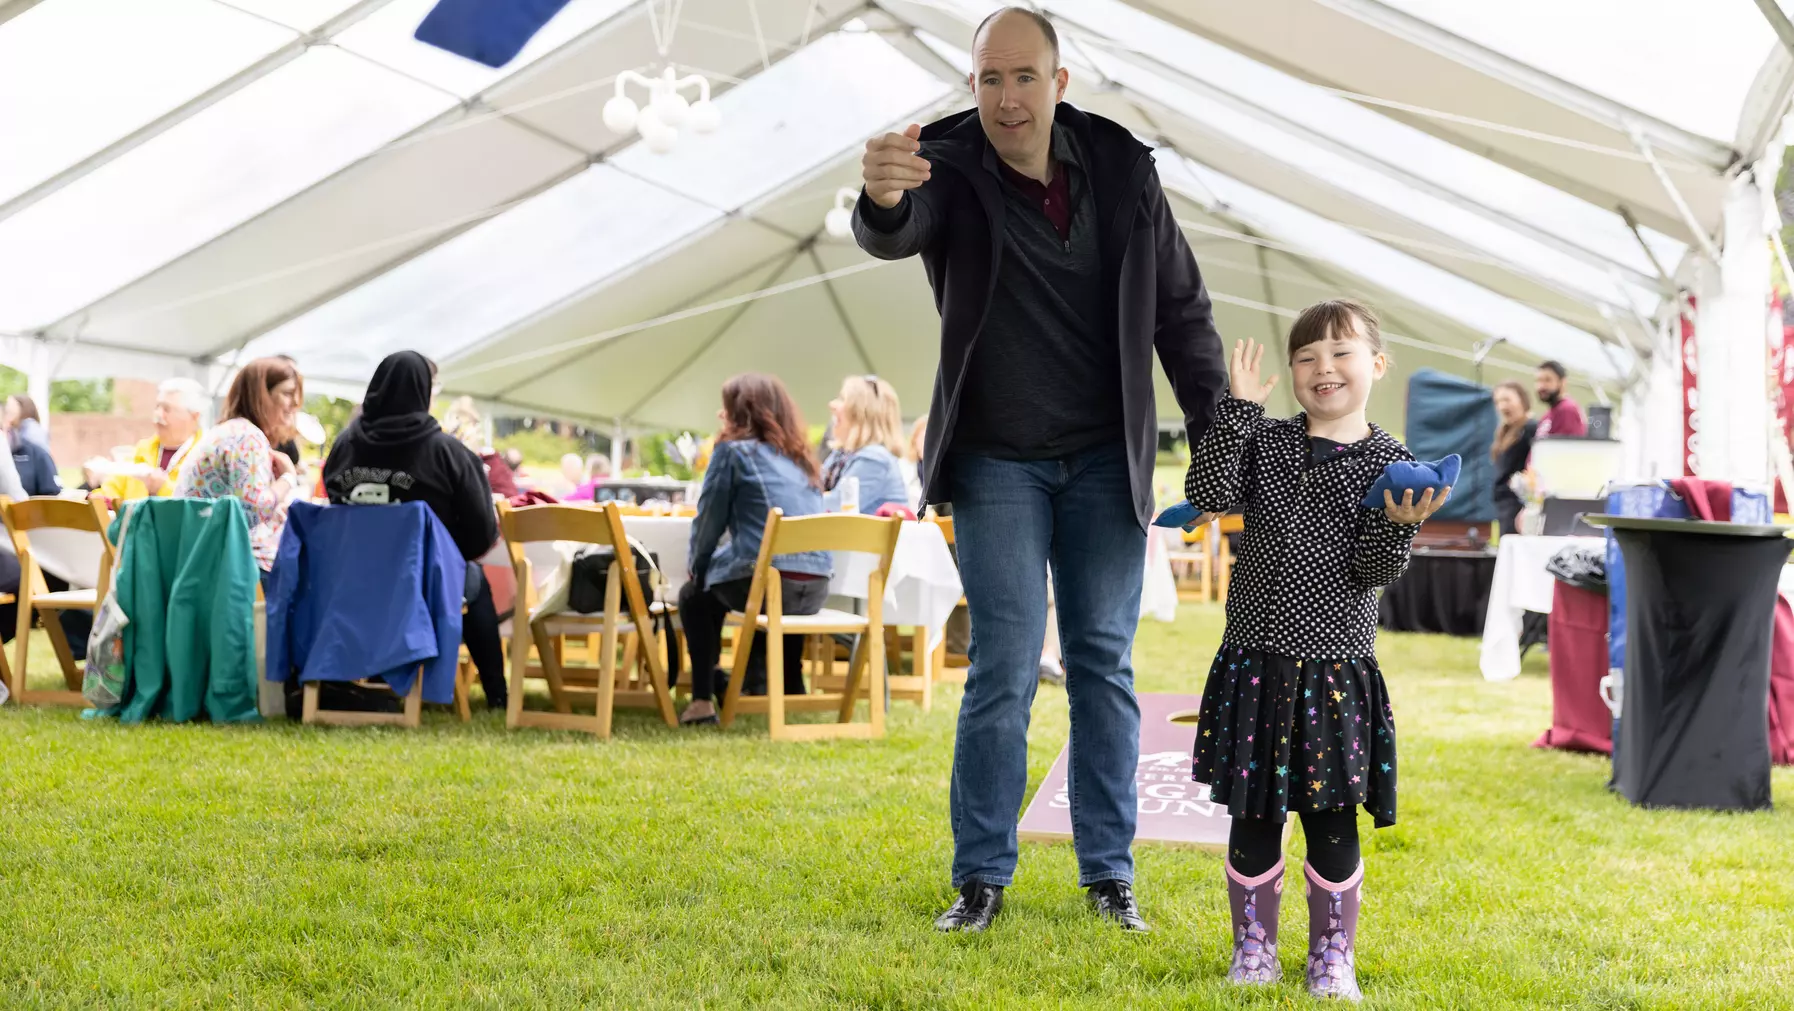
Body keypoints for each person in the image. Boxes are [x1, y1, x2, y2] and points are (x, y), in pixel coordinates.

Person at [852, 6, 1228, 933]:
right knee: (1005, 666)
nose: (1006, 99)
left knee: (1103, 662)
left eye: (1024, 78)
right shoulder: (943, 163)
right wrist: (885, 199)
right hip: (997, 463)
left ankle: (1109, 873)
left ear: (1059, 83)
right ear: (971, 84)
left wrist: (1222, 440)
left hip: (1107, 458)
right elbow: (896, 229)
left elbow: (1181, 314)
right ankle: (980, 876)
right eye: (989, 79)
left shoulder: (1123, 170)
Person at [1185, 301, 1451, 1001]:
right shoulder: (1266, 442)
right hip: (1252, 661)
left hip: (1333, 670)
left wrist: (1400, 527)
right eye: (1306, 357)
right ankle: (1255, 948)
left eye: (1341, 353)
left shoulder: (1392, 462)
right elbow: (1207, 492)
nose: (1322, 368)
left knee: (1331, 816)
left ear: (1376, 365)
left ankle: (1333, 955)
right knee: (1254, 812)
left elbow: (1372, 573)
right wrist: (1238, 411)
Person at [323, 351, 506, 710]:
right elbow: (482, 534)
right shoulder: (446, 452)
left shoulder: (345, 446)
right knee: (474, 579)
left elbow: (334, 504)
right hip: (425, 584)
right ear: (423, 392)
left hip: (348, 583)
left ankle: (373, 675)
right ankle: (497, 694)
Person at [675, 374, 831, 727]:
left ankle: (702, 701)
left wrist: (697, 568)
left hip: (767, 586)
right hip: (815, 588)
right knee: (772, 578)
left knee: (695, 595)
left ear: (738, 413)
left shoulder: (732, 453)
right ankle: (788, 683)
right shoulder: (802, 460)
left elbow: (708, 522)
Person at [174, 357, 304, 574]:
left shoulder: (231, 431)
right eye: (287, 393)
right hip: (224, 568)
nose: (296, 403)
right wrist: (287, 479)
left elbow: (241, 510)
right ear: (261, 394)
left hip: (201, 559)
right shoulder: (247, 436)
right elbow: (253, 510)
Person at [96, 378, 207, 505]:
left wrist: (164, 488)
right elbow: (111, 491)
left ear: (194, 416)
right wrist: (95, 496)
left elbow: (200, 508)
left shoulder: (204, 457)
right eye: (157, 407)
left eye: (167, 409)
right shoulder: (142, 450)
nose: (158, 414)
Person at [822, 375, 912, 513]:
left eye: (842, 399)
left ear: (862, 414)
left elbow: (832, 507)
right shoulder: (840, 455)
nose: (832, 405)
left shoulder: (874, 458)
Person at [1490, 380, 1536, 535]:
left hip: (1519, 505)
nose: (1502, 406)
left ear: (1522, 400)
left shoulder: (1531, 428)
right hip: (1504, 505)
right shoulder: (1504, 432)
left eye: (1507, 400)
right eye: (1498, 402)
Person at [1534, 360, 1586, 439]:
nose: (1541, 386)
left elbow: (1562, 448)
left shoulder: (1567, 409)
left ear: (1562, 382)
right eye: (1539, 380)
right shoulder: (1550, 413)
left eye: (1548, 380)